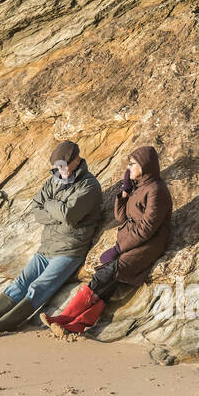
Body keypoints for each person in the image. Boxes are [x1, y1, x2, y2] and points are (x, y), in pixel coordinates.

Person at [0, 140, 103, 334]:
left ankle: (6, 323)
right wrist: (56, 210)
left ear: (77, 160)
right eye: (56, 166)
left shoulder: (89, 185)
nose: (59, 170)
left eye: (63, 165)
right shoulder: (54, 180)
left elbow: (68, 215)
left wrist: (51, 204)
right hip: (46, 247)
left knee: (38, 287)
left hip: (69, 250)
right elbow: (37, 209)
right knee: (20, 283)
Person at [41, 144, 172, 336]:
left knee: (104, 276)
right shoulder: (140, 187)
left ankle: (65, 317)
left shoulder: (156, 190)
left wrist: (118, 249)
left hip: (147, 246)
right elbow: (121, 216)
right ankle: (77, 324)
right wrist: (125, 192)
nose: (129, 168)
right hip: (131, 242)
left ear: (144, 166)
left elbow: (146, 229)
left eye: (132, 164)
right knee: (108, 284)